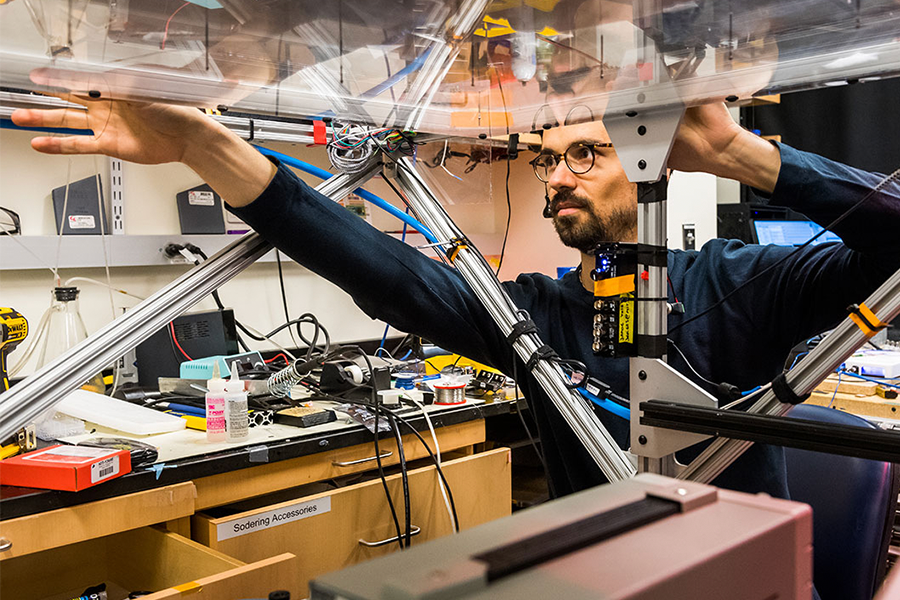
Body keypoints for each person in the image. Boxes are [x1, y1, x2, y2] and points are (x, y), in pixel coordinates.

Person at [12, 97, 900, 499]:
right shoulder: (539, 315)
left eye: (584, 156)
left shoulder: (748, 285)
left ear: (645, 165)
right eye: (547, 160)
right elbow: (393, 277)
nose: (556, 178)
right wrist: (211, 151)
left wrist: (741, 155)